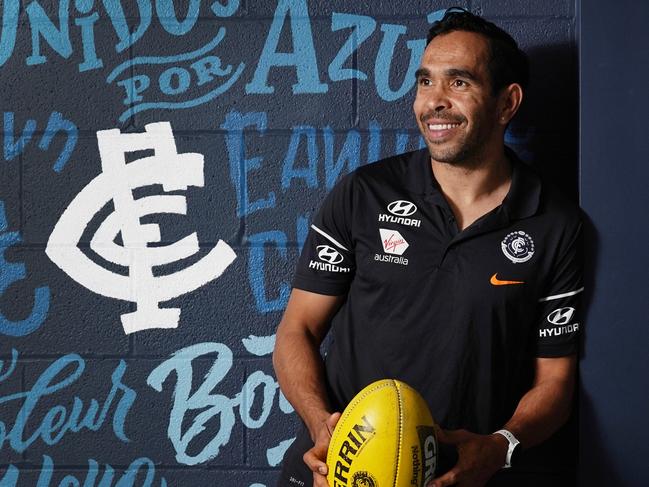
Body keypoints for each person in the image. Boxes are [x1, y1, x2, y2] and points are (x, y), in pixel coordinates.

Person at [273, 8, 582, 487]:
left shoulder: (556, 224)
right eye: (424, 82)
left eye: (458, 83)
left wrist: (500, 448)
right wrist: (322, 425)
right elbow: (298, 329)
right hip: (337, 472)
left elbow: (555, 384)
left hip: (454, 477)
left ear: (507, 103)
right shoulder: (363, 194)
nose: (433, 101)